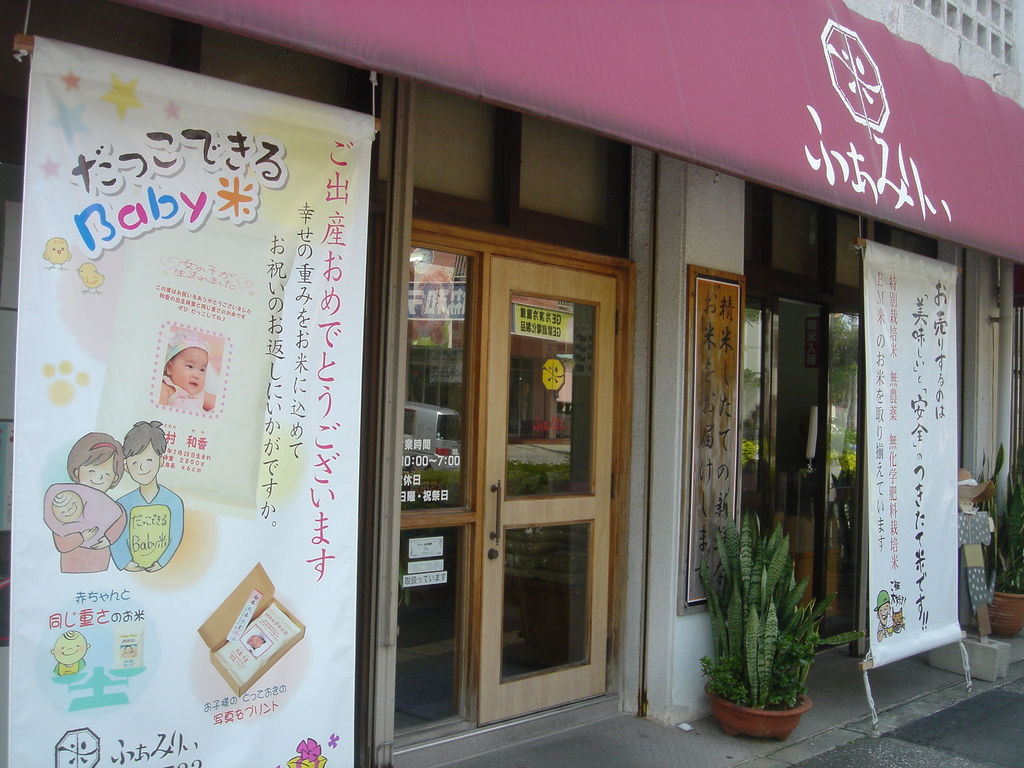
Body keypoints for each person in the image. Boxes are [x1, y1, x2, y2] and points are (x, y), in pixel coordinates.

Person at [45, 434, 127, 573]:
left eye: (107, 474)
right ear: (77, 471)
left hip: (101, 561)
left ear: (115, 478)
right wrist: (82, 537)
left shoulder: (112, 508)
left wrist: (109, 539)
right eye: (91, 471)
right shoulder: (66, 500)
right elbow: (61, 543)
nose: (99, 478)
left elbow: (120, 521)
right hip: (72, 563)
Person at [110, 421, 183, 572]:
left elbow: (175, 536)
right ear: (126, 467)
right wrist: (125, 562)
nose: (142, 468)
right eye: (135, 463)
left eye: (149, 460)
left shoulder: (173, 502)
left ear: (160, 461)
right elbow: (115, 536)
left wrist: (161, 562)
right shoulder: (122, 504)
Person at [160, 330, 216, 412]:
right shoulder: (167, 389)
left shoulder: (200, 395)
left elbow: (222, 404)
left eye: (202, 370)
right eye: (190, 366)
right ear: (169, 368)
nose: (196, 375)